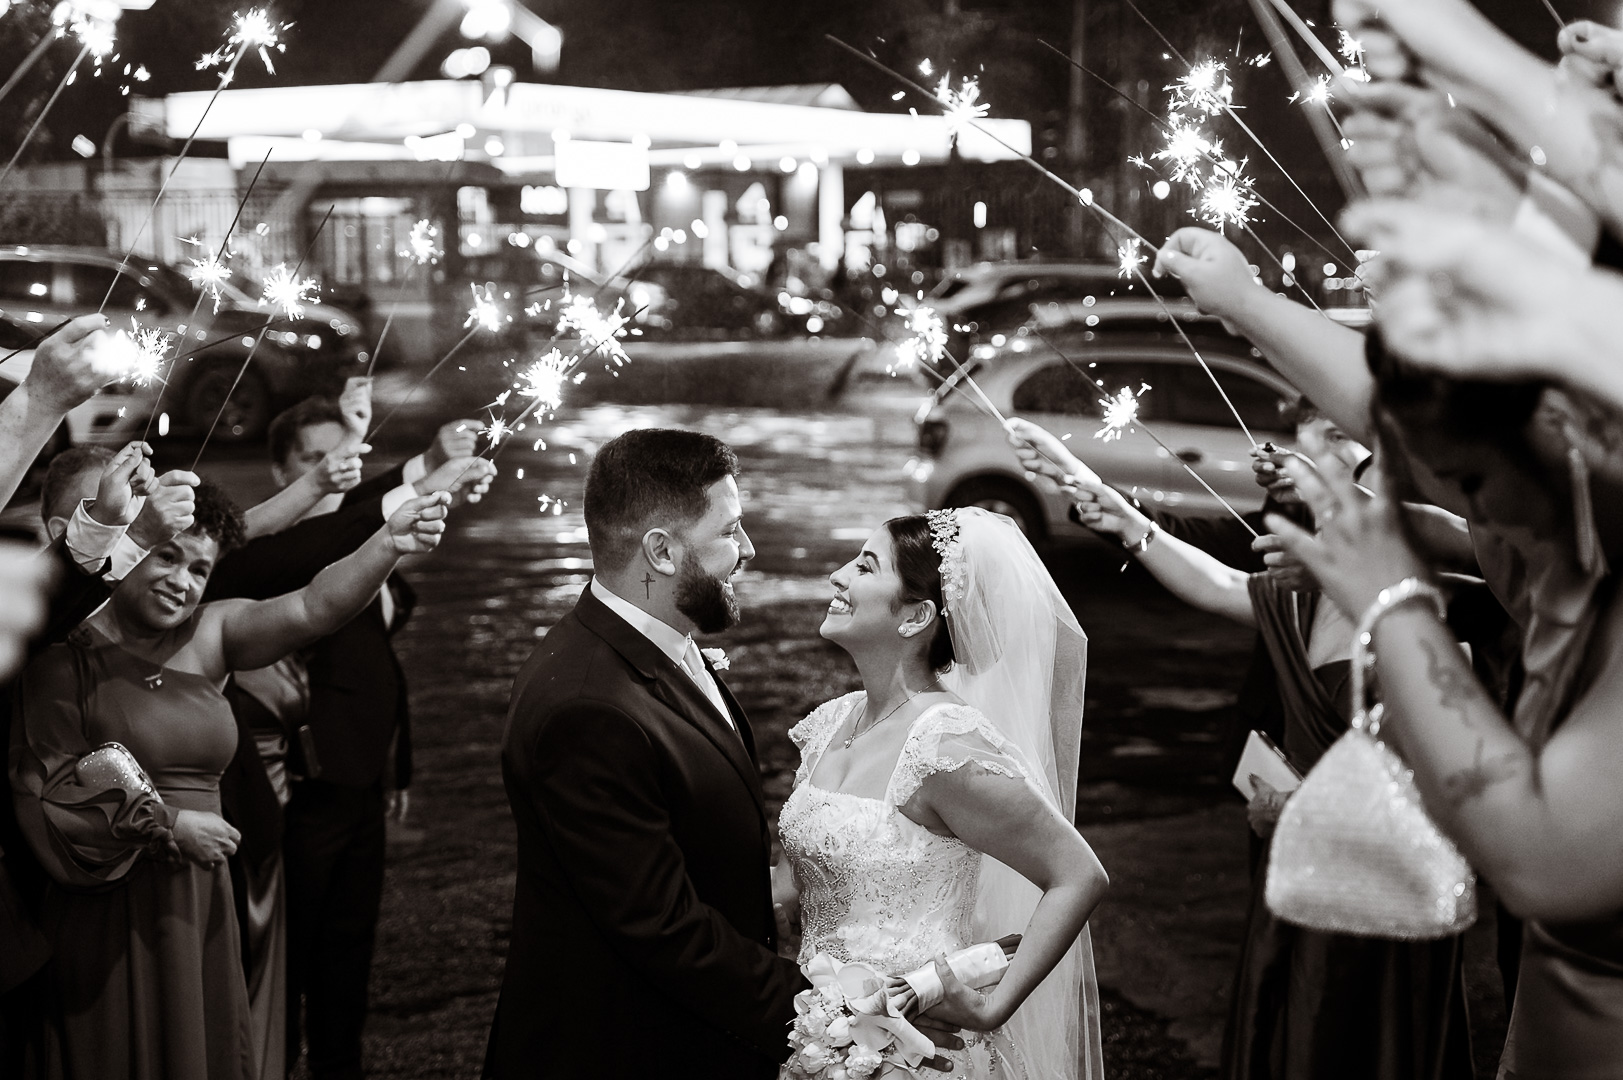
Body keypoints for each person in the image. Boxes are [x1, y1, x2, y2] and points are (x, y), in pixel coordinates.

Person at [487, 429, 963, 1079]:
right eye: (730, 531)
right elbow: (661, 929)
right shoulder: (588, 708)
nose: (749, 550)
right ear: (661, 551)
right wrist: (847, 1015)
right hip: (623, 1048)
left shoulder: (662, 646)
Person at [8, 476, 449, 1080]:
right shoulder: (65, 649)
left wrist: (387, 544)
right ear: (134, 548)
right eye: (167, 557)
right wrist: (167, 824)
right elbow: (48, 784)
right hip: (104, 902)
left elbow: (313, 607)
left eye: (200, 570)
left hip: (199, 899)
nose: (182, 582)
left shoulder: (211, 633)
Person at [777, 506, 1108, 1078]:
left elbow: (1078, 875)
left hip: (916, 1055)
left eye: (865, 566)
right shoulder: (830, 724)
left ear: (916, 616)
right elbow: (793, 885)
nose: (838, 576)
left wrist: (992, 1007)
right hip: (815, 1035)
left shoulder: (943, 746)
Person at [270, 389, 492, 1080]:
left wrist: (397, 767)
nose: (332, 471)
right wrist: (427, 468)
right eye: (313, 460)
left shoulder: (361, 543)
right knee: (288, 956)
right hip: (301, 791)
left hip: (363, 783)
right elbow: (350, 524)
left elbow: (378, 668)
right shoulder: (279, 550)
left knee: (349, 954)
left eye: (343, 456)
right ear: (282, 473)